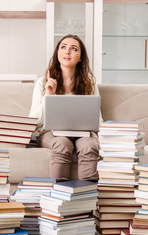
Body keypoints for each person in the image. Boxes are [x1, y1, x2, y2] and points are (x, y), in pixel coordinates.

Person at [29, 34, 102, 182]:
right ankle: (59, 198)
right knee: (62, 144)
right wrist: (49, 96)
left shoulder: (90, 84)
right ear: (57, 54)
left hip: (84, 133)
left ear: (80, 57)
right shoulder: (42, 82)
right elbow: (33, 121)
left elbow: (98, 121)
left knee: (89, 145)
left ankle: (87, 199)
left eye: (73, 49)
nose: (67, 51)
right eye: (63, 47)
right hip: (51, 133)